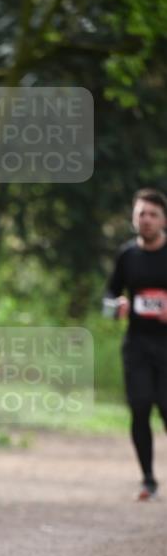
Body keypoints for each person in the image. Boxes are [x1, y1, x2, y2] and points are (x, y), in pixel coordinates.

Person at [106, 187, 167, 501]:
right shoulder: (127, 255)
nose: (146, 220)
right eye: (141, 213)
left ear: (163, 220)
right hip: (138, 346)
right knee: (140, 409)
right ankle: (148, 480)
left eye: (153, 215)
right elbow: (108, 296)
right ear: (133, 217)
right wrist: (116, 306)